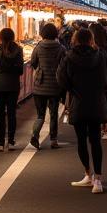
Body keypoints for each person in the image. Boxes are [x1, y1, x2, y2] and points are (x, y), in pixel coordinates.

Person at [57, 27, 107, 193]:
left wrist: (73, 90)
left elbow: (60, 79)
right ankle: (98, 180)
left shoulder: (69, 57)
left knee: (81, 140)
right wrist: (101, 90)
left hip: (78, 102)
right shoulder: (102, 56)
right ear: (92, 40)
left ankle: (87, 174)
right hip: (97, 101)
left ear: (74, 39)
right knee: (96, 140)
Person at [0, 27, 24, 151]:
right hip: (13, 84)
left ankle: (0, 142)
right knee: (12, 113)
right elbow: (20, 70)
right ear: (13, 37)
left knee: (1, 113)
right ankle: (11, 141)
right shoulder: (19, 49)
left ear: (0, 37)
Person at [29, 21, 63, 149]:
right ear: (55, 34)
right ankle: (53, 140)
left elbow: (33, 62)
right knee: (53, 113)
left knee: (40, 114)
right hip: (55, 85)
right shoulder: (60, 48)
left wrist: (40, 69)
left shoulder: (38, 47)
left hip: (40, 85)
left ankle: (35, 135)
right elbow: (63, 65)